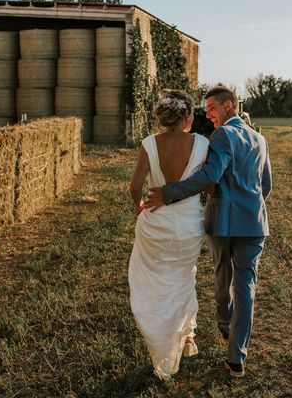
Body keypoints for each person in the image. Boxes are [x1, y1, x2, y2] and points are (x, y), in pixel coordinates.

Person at [145, 86, 272, 378]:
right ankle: (236, 357)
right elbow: (266, 186)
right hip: (254, 224)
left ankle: (226, 325)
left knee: (221, 278)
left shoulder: (223, 135)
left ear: (228, 106)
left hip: (224, 222)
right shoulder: (261, 139)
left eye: (212, 107)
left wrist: (169, 193)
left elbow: (210, 176)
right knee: (246, 289)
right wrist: (249, 205)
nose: (208, 114)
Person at [128, 90, 209, 380]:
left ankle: (165, 334)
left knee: (155, 283)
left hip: (155, 225)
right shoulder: (201, 143)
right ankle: (186, 337)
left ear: (162, 115)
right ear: (187, 114)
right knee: (184, 276)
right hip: (187, 226)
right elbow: (208, 185)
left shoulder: (149, 144)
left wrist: (138, 208)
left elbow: (135, 185)